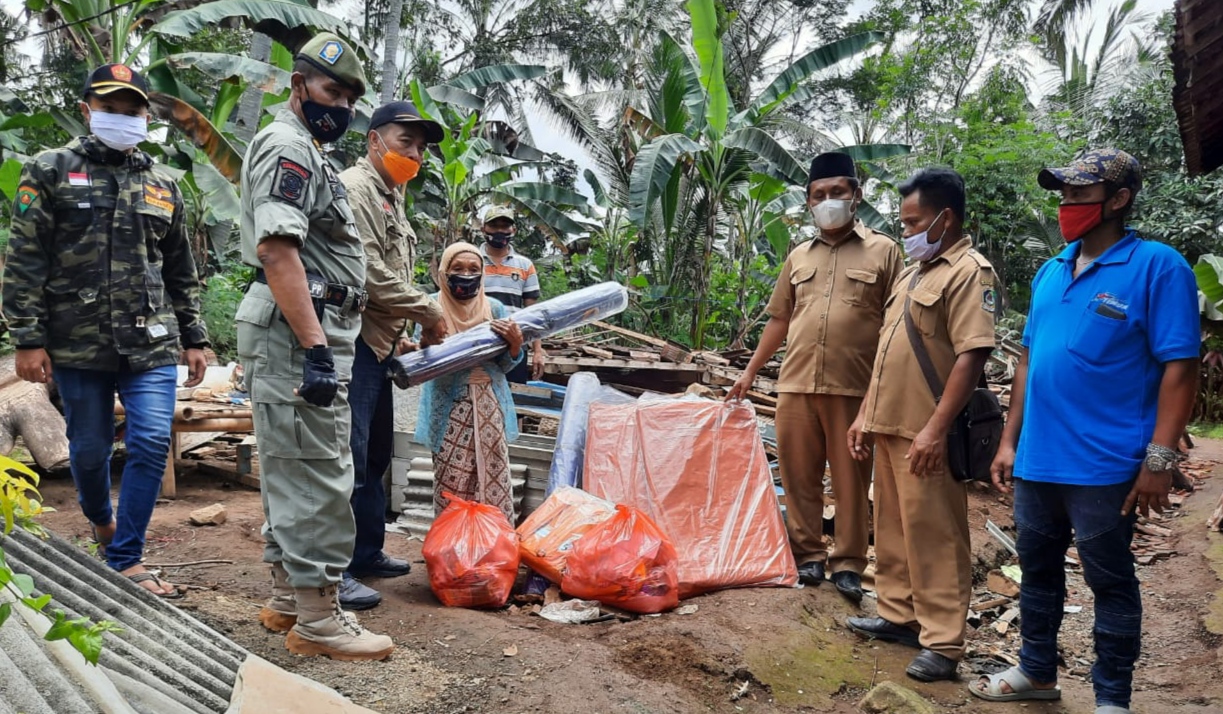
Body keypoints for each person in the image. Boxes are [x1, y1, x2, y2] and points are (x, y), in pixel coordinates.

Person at [972, 150, 1199, 713]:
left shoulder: (1158, 266)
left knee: (1111, 583)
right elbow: (1026, 361)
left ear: (1118, 200)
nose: (1066, 206)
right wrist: (1008, 440)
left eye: (1079, 195)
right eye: (1064, 195)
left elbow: (1181, 367)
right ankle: (1037, 671)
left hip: (1106, 463)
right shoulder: (1052, 270)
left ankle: (1112, 700)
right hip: (1039, 458)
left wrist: (1159, 461)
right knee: (1038, 574)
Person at [2, 64, 209, 598]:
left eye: (132, 110)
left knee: (148, 440)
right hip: (78, 340)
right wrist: (27, 337)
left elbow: (180, 267)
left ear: (146, 115)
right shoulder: (49, 169)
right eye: (110, 108)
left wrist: (195, 336)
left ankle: (126, 557)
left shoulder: (164, 183)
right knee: (88, 451)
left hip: (152, 341)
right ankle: (100, 520)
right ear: (87, 109)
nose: (122, 118)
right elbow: (26, 258)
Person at [236, 32, 394, 661]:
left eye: (352, 97)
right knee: (320, 472)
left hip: (302, 327)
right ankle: (319, 619)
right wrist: (316, 349)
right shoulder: (288, 146)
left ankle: (284, 599)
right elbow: (279, 250)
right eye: (333, 90)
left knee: (291, 466)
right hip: (299, 330)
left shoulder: (310, 149)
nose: (342, 106)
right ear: (298, 85)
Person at [726, 151, 903, 602]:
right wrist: (749, 373)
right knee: (798, 475)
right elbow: (779, 319)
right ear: (808, 202)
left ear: (856, 196)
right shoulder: (798, 256)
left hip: (853, 388)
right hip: (796, 383)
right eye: (819, 195)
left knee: (850, 480)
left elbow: (896, 324)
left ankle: (847, 562)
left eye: (837, 193)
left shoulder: (884, 251)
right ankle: (808, 555)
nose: (828, 201)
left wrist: (884, 391)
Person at [846, 168, 997, 682]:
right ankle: (898, 614)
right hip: (889, 424)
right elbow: (889, 352)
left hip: (927, 430)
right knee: (890, 529)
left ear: (945, 218)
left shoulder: (970, 273)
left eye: (913, 222)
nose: (905, 231)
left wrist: (935, 429)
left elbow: (971, 356)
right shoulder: (912, 274)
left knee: (935, 535)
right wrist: (866, 414)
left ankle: (943, 642)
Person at [336, 100, 448, 611]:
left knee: (377, 454)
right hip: (353, 341)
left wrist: (402, 329)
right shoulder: (357, 189)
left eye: (421, 147)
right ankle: (332, 568)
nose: (415, 154)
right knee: (350, 458)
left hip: (379, 343)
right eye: (406, 142)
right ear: (374, 139)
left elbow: (391, 275)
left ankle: (366, 551)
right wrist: (427, 312)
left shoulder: (392, 194)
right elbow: (367, 275)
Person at [415, 242, 524, 523]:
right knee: (453, 479)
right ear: (444, 272)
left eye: (474, 269)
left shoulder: (495, 308)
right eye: (458, 268)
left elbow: (507, 363)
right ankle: (452, 553)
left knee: (493, 475)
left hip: (490, 402)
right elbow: (419, 363)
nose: (466, 274)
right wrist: (426, 345)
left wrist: (515, 345)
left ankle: (491, 553)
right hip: (449, 407)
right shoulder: (430, 308)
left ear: (483, 273)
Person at [478, 207, 545, 382]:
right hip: (478, 343)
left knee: (514, 400)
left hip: (515, 344)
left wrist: (538, 351)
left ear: (513, 230)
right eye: (494, 226)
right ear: (483, 228)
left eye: (505, 226)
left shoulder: (525, 265)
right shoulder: (471, 261)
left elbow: (533, 311)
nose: (500, 231)